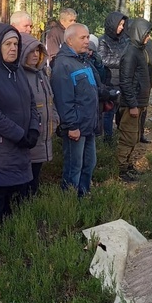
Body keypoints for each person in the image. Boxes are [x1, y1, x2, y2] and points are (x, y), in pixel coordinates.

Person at [0, 24, 39, 237]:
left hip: (20, 146)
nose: (13, 48)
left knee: (18, 191)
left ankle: (13, 234)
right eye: (7, 44)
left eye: (16, 44)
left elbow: (31, 102)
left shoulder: (18, 70)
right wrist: (19, 134)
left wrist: (33, 129)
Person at [50, 23, 99, 197]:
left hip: (88, 126)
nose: (87, 41)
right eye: (83, 38)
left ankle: (83, 197)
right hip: (75, 127)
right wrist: (71, 125)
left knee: (89, 164)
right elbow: (63, 100)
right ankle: (68, 204)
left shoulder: (82, 61)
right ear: (70, 40)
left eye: (88, 37)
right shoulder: (63, 65)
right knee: (74, 168)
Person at [20, 33, 58, 194]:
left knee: (35, 178)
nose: (35, 55)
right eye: (31, 51)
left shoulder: (42, 73)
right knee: (25, 183)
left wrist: (56, 119)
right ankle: (22, 214)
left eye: (38, 51)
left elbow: (51, 99)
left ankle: (31, 208)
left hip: (44, 137)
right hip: (30, 138)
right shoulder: (19, 76)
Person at [117, 18, 152, 182]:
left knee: (135, 136)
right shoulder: (130, 53)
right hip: (132, 104)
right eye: (147, 33)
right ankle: (122, 170)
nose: (149, 37)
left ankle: (129, 165)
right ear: (139, 33)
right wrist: (132, 105)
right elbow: (125, 80)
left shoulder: (139, 50)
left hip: (139, 103)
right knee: (128, 138)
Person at [98, 12, 129, 142]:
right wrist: (124, 62)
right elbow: (103, 59)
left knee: (122, 111)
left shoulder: (125, 40)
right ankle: (108, 139)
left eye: (123, 24)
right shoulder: (103, 40)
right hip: (109, 81)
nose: (121, 27)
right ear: (112, 25)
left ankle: (121, 136)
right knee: (109, 112)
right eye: (119, 24)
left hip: (123, 80)